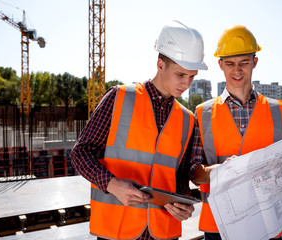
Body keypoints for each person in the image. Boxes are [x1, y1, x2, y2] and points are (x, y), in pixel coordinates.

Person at [70, 20, 207, 240]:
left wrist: (184, 205)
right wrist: (112, 185)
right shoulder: (119, 98)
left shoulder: (187, 119)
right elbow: (80, 153)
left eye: (192, 76)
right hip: (117, 230)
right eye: (181, 75)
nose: (186, 84)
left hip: (164, 232)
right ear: (160, 64)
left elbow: (179, 178)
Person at [190, 25, 282, 240]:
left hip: (268, 225)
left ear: (255, 62)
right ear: (220, 64)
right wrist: (225, 170)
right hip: (218, 227)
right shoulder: (202, 113)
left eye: (244, 62)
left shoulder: (278, 110)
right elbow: (194, 174)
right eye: (230, 63)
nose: (237, 70)